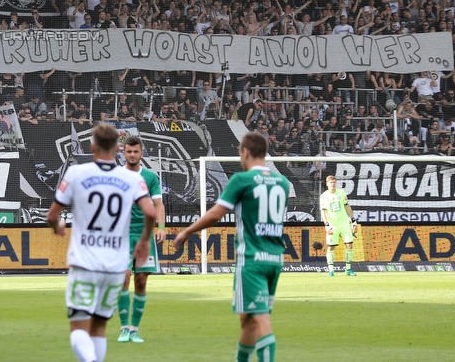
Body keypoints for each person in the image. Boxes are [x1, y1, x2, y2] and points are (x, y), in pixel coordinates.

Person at [174, 132, 289, 362]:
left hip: (251, 260)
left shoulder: (241, 180)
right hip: (275, 259)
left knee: (261, 320)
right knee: (247, 319)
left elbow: (216, 214)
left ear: (245, 152)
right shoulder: (283, 183)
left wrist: (187, 231)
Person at [47, 123, 156, 362]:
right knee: (98, 329)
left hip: (85, 263)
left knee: (78, 329)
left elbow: (52, 216)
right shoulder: (131, 178)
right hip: (115, 266)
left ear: (91, 146)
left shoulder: (76, 173)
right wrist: (145, 240)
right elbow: (150, 212)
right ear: (118, 148)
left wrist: (58, 227)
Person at [116, 136, 165, 344]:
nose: (132, 155)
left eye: (136, 152)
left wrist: (162, 227)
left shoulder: (150, 177)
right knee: (124, 278)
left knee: (141, 281)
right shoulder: (116, 176)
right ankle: (123, 328)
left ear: (141, 153)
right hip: (120, 235)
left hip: (144, 235)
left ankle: (135, 329)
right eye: (129, 151)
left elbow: (158, 205)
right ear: (123, 153)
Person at [320, 174, 358, 276]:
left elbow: (347, 207)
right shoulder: (323, 196)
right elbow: (323, 212)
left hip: (345, 224)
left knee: (349, 245)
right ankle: (331, 270)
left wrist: (353, 221)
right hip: (333, 226)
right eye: (331, 182)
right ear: (327, 184)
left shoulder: (341, 193)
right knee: (331, 247)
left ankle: (348, 269)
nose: (333, 184)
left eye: (334, 182)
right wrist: (326, 225)